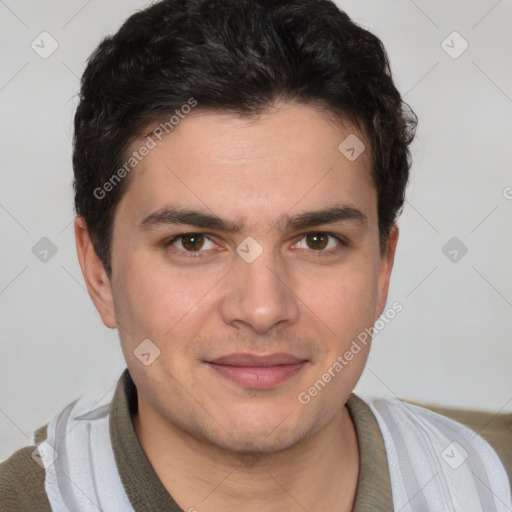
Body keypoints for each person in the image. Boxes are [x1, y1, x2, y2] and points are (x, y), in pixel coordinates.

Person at [1, 0, 510, 510]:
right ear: (98, 272)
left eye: (317, 241)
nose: (262, 309)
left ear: (382, 267)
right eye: (193, 242)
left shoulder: (485, 484)